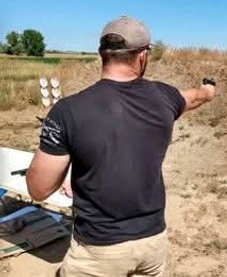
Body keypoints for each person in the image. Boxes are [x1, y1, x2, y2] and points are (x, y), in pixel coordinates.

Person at [26, 15, 215, 277]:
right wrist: (208, 91)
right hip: (153, 243)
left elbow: (38, 189)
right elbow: (193, 97)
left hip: (98, 250)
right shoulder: (165, 98)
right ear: (142, 56)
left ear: (101, 55)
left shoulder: (67, 111)